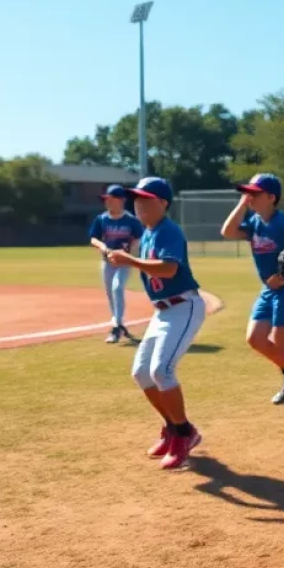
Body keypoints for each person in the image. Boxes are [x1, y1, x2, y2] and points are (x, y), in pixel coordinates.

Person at [105, 177, 205, 471]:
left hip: (183, 306)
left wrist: (129, 261)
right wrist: (127, 258)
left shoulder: (167, 231)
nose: (140, 204)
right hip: (162, 312)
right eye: (136, 199)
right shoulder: (148, 233)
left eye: (147, 199)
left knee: (162, 370)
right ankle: (174, 428)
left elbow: (170, 268)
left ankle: (184, 434)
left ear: (163, 203)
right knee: (141, 373)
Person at [220, 173, 284, 408]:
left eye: (255, 193)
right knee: (255, 338)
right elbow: (228, 231)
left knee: (279, 339)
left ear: (271, 197)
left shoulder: (283, 223)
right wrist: (242, 204)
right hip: (268, 289)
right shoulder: (254, 222)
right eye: (247, 193)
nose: (249, 197)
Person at [89, 185, 145, 344]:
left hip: (124, 262)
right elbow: (94, 238)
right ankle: (119, 324)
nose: (108, 202)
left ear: (121, 201)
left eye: (111, 199)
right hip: (107, 262)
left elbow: (138, 239)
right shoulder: (102, 219)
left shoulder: (131, 220)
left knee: (117, 287)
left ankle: (116, 327)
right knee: (110, 294)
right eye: (107, 199)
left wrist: (129, 254)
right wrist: (104, 247)